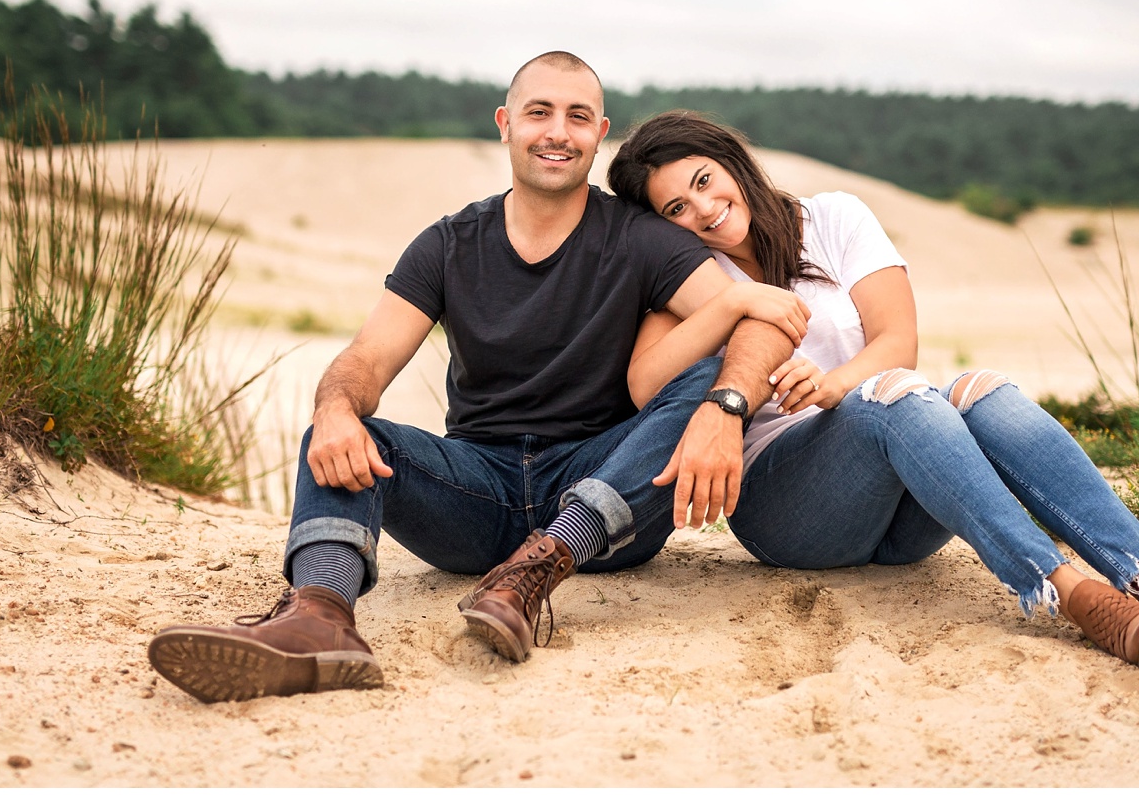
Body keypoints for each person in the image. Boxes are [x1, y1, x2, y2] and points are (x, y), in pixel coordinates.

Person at [148, 55, 803, 703]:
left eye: (577, 116)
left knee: (699, 377)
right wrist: (339, 407)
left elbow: (759, 319)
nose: (557, 131)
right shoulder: (449, 243)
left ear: (599, 133)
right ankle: (317, 616)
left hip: (603, 489)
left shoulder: (641, 238)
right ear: (505, 123)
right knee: (341, 420)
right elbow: (366, 360)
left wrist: (728, 404)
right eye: (539, 112)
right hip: (474, 490)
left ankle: (541, 564)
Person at [605, 111, 1139, 668]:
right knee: (895, 394)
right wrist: (731, 307)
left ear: (728, 161)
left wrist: (835, 385)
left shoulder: (832, 219)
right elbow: (644, 383)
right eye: (676, 210)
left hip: (903, 502)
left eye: (702, 182)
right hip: (790, 508)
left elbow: (897, 340)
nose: (704, 210)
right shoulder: (691, 276)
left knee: (979, 387)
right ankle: (1072, 596)